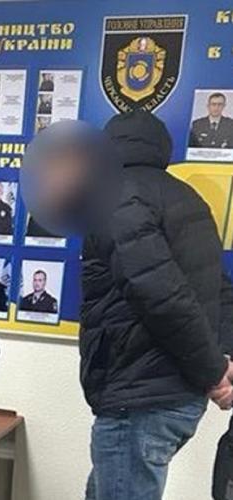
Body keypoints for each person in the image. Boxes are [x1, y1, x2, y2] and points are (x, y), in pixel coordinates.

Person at [82, 110, 233, 500]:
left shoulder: (116, 197)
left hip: (139, 397)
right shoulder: (188, 199)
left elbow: (160, 295)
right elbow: (219, 289)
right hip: (171, 395)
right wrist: (222, 360)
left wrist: (215, 372)